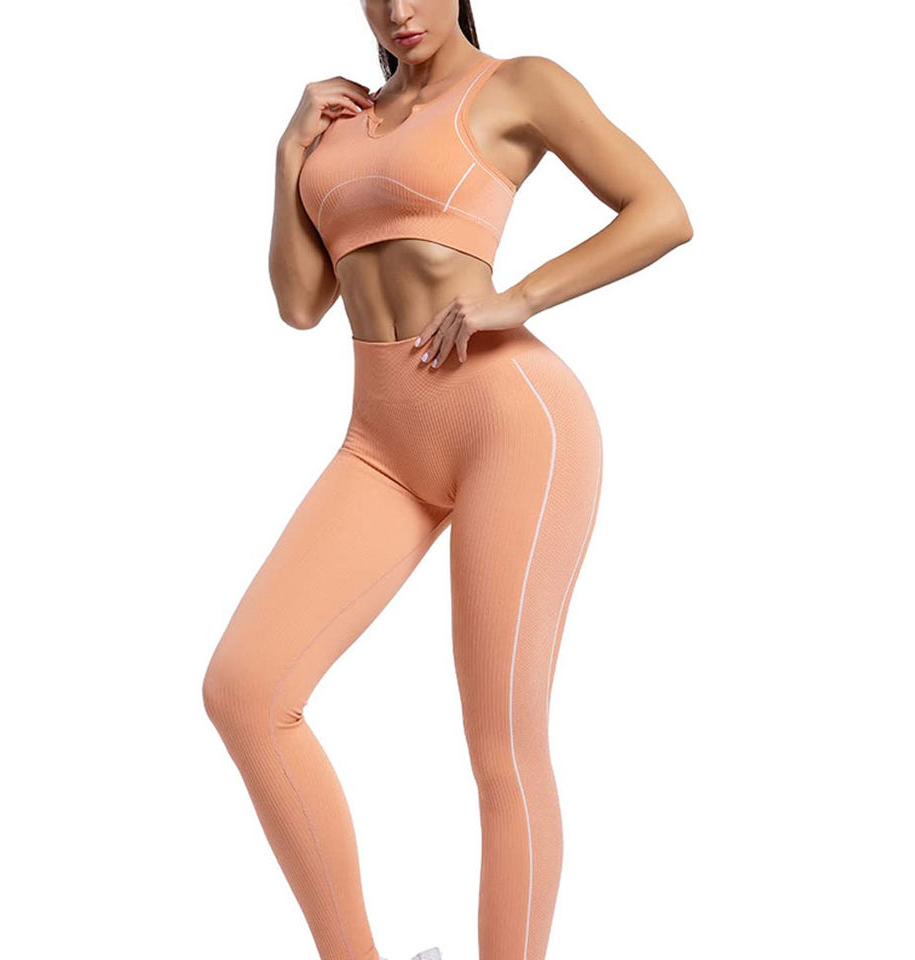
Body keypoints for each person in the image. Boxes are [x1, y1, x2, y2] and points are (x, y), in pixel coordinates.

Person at [202, 2, 693, 959]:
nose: (398, 10)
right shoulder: (342, 119)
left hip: (510, 421)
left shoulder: (518, 84)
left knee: (501, 745)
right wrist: (288, 153)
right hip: (381, 440)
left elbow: (661, 212)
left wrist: (518, 297)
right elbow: (300, 303)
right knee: (246, 690)